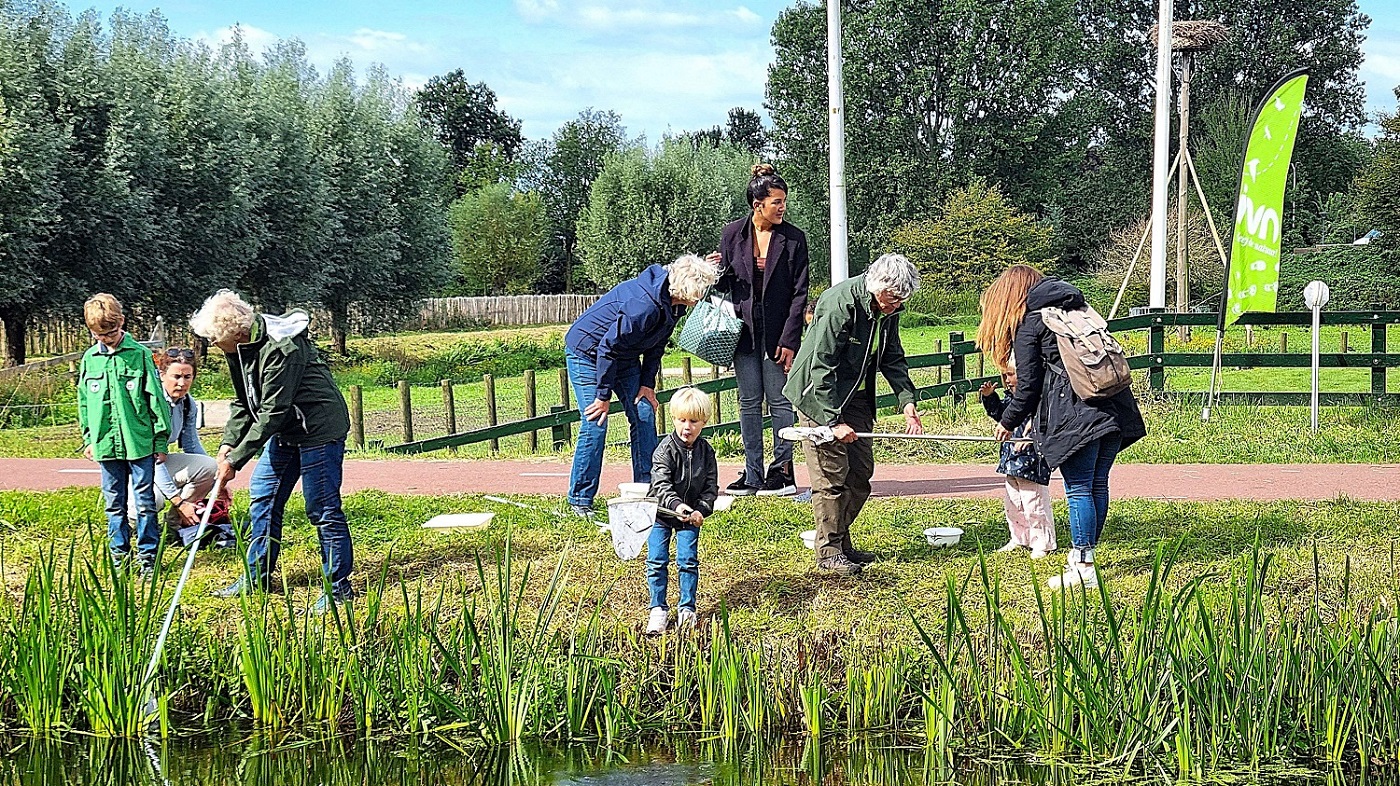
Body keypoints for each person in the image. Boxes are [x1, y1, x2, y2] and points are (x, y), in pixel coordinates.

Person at [979, 265, 1146, 589]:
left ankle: (1083, 565)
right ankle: (1084, 557)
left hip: (1075, 416)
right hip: (1114, 407)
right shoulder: (1077, 309)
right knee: (1097, 484)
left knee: (1079, 488)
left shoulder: (1032, 322)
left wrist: (1008, 420)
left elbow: (1027, 387)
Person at [189, 290, 355, 613]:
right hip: (287, 429)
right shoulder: (239, 348)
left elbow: (271, 411)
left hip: (318, 427)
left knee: (321, 507)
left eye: (213, 339)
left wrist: (236, 460)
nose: (211, 345)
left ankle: (338, 588)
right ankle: (257, 578)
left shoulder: (281, 349)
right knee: (264, 495)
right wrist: (227, 443)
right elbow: (243, 401)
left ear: (234, 332)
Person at [783, 253, 924, 576]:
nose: (895, 306)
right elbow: (821, 367)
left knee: (859, 474)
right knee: (831, 476)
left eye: (902, 300)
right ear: (877, 287)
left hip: (857, 396)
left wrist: (906, 401)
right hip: (818, 397)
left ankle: (840, 540)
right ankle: (829, 552)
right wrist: (832, 421)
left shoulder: (890, 310)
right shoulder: (839, 304)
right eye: (892, 299)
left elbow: (892, 356)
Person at [564, 254, 721, 517]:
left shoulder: (674, 304)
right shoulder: (643, 306)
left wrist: (647, 383)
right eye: (701, 288)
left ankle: (650, 491)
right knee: (595, 422)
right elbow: (607, 347)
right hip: (589, 352)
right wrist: (602, 395)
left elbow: (657, 344)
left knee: (645, 413)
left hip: (622, 355)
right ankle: (579, 499)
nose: (703, 294)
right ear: (688, 288)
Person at [710, 163, 809, 497]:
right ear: (758, 205)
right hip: (743, 334)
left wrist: (790, 340)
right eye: (776, 202)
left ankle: (782, 473)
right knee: (748, 402)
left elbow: (800, 293)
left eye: (784, 202)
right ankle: (752, 474)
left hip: (778, 334)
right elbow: (727, 284)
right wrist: (715, 271)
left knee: (780, 403)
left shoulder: (794, 239)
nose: (783, 208)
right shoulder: (731, 234)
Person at [77, 293, 171, 574]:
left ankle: (148, 559)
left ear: (122, 322)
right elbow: (84, 402)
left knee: (144, 502)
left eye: (112, 332)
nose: (107, 338)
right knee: (113, 503)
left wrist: (160, 439)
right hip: (106, 444)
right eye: (100, 335)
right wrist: (88, 438)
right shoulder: (90, 359)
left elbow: (156, 400)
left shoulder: (140, 356)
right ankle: (120, 557)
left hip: (139, 442)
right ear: (92, 332)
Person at [644, 387, 719, 636]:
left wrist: (701, 510)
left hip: (690, 517)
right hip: (661, 513)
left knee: (687, 560)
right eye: (682, 420)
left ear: (704, 422)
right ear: (674, 419)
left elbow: (710, 487)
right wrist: (679, 506)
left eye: (694, 421)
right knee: (657, 560)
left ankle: (687, 609)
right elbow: (661, 485)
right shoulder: (664, 450)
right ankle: (658, 609)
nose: (687, 427)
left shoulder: (707, 452)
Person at [978, 365, 1055, 559]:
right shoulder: (1011, 398)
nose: (1008, 379)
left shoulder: (1039, 400)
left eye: (1011, 374)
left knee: (1034, 504)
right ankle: (1020, 537)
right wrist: (989, 397)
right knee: (1013, 504)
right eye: (1005, 375)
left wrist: (1029, 435)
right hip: (1011, 460)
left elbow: (1044, 421)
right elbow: (999, 415)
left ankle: (1042, 542)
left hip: (1032, 461)